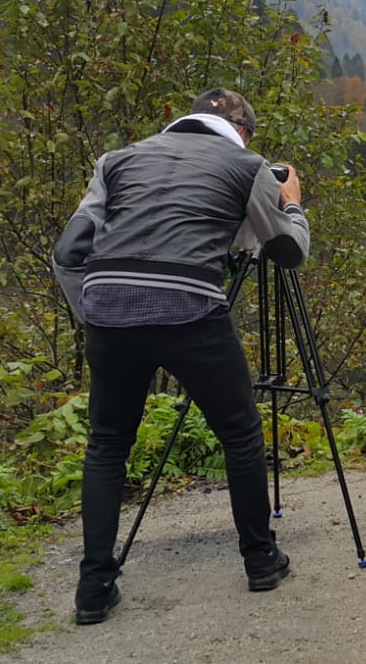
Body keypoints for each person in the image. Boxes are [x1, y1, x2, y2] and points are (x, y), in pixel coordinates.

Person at [52, 88, 308, 625]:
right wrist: (291, 202)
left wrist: (94, 312)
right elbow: (287, 251)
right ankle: (260, 560)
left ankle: (93, 588)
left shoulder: (117, 161)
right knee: (239, 433)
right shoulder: (248, 164)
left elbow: (70, 249)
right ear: (243, 131)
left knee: (106, 445)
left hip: (108, 304)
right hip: (189, 306)